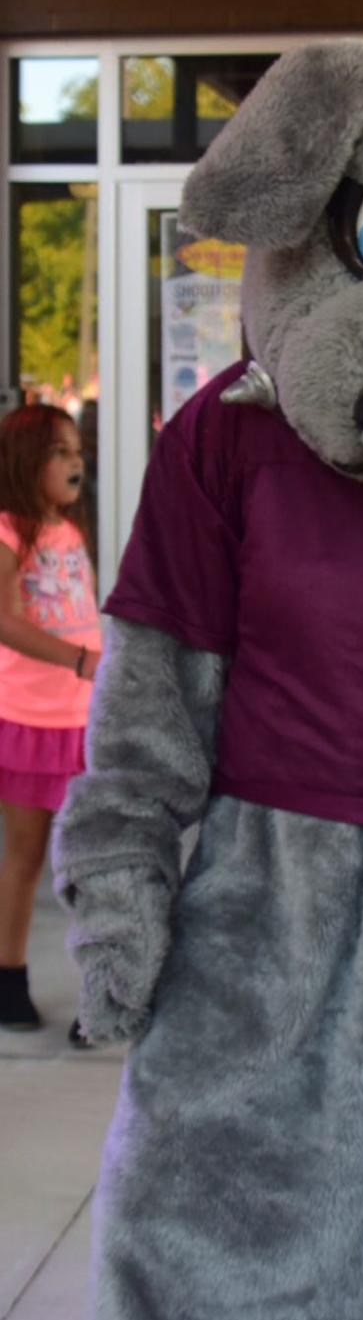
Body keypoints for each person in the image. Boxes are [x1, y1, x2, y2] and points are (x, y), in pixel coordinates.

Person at [0, 404, 101, 1036]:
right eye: (59, 452)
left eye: (75, 451)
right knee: (28, 855)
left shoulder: (69, 529)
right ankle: (8, 976)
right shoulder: (10, 531)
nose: (74, 463)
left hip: (83, 721)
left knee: (91, 858)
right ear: (25, 462)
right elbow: (4, 621)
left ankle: (101, 990)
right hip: (28, 718)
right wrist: (81, 660)